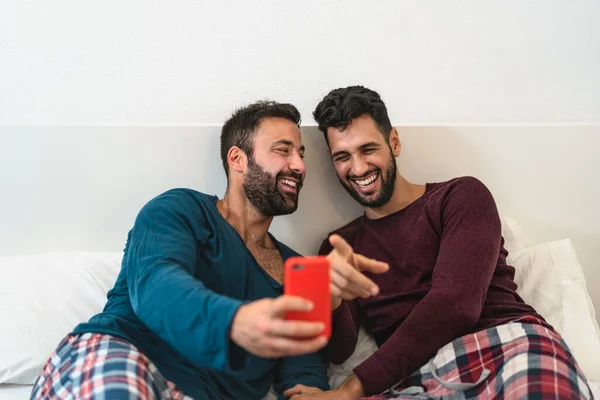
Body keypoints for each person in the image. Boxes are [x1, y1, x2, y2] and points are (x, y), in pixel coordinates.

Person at [30, 100, 388, 400]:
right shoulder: (178, 210)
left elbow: (302, 369)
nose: (299, 165)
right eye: (283, 150)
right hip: (127, 357)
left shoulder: (299, 268)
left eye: (301, 153)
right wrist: (234, 322)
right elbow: (157, 285)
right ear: (238, 159)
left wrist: (330, 310)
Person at [284, 86, 593, 400]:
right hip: (414, 379)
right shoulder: (339, 247)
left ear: (394, 142)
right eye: (343, 157)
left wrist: (350, 390)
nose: (359, 168)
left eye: (368, 149)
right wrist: (332, 300)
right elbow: (340, 351)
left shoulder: (460, 196)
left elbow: (456, 304)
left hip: (505, 348)